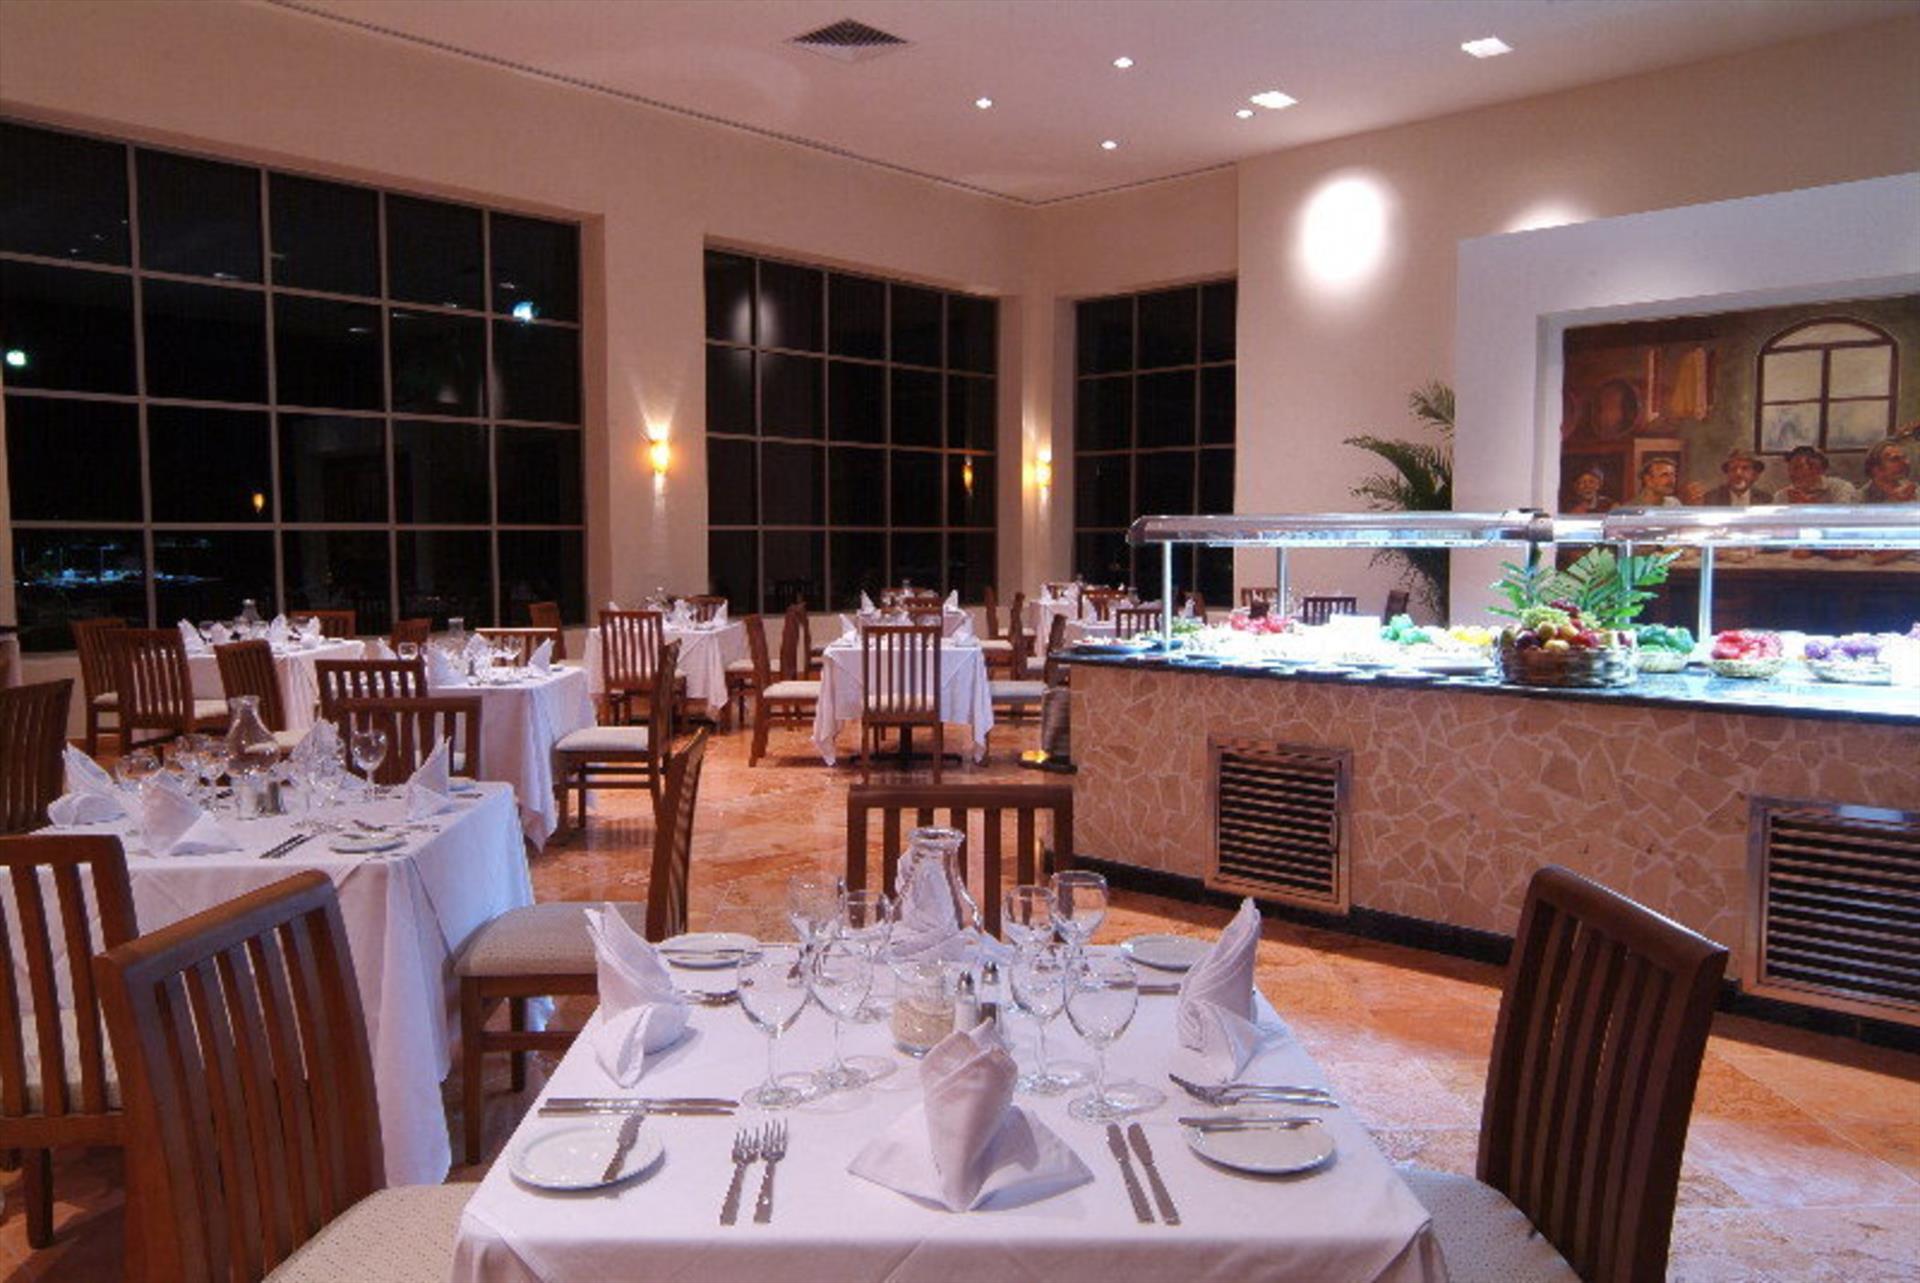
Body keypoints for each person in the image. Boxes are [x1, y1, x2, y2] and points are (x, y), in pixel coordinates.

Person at [1780, 446, 1858, 504]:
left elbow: (1844, 518)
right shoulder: (1782, 496)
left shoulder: (1840, 489)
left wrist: (1810, 506)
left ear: (1817, 469)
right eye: (1789, 469)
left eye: (1797, 468)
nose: (1791, 474)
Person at [1699, 448, 1773, 506]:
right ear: (1727, 474)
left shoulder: (1766, 500)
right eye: (1733, 468)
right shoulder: (1711, 499)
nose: (1738, 473)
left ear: (1755, 475)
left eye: (1745, 468)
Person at [1861, 439, 1917, 503]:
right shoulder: (1860, 499)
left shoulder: (1914, 492)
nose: (1906, 462)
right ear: (1876, 469)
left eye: (1904, 457)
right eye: (1895, 459)